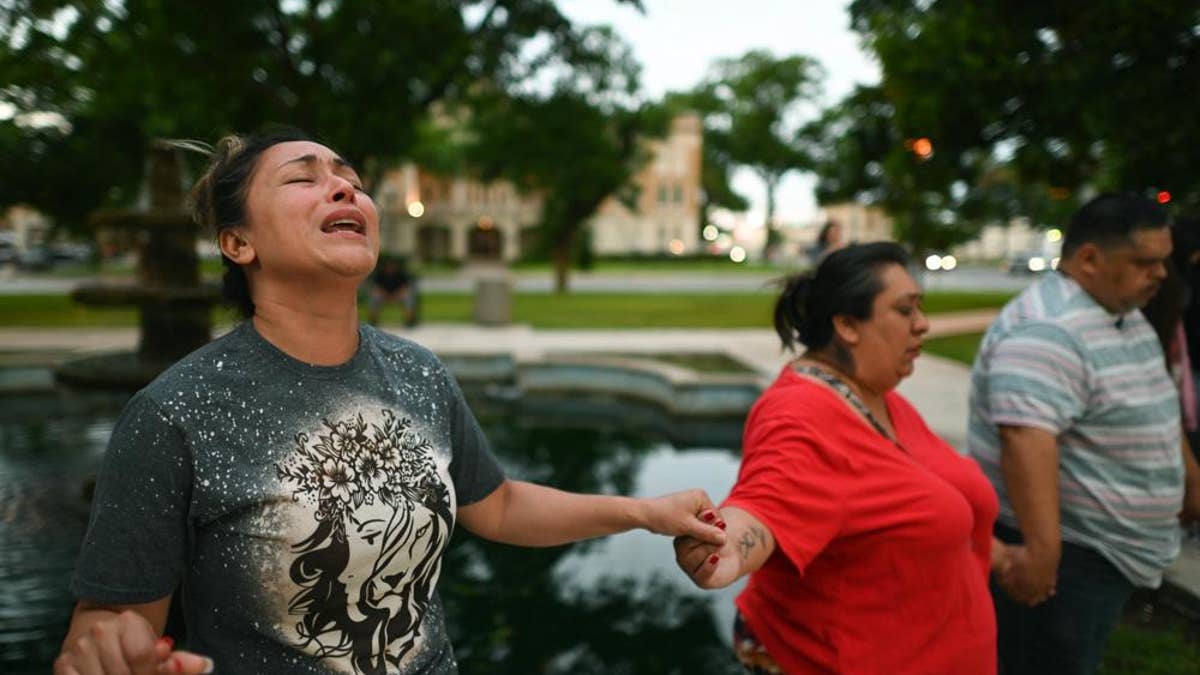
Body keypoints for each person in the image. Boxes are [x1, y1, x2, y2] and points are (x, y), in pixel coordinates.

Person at [55, 128, 727, 675]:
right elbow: (109, 626)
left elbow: (498, 504)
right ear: (238, 242)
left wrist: (643, 511)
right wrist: (105, 652)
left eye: (347, 175)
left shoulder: (419, 373)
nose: (343, 184)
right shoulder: (174, 412)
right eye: (303, 176)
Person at [674, 242, 1009, 674]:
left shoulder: (876, 398)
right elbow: (764, 503)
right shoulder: (799, 414)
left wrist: (1001, 554)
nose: (923, 325)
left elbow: (927, 506)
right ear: (848, 325)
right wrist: (727, 546)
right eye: (905, 310)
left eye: (920, 308)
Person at [967, 192, 1200, 675]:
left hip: (1100, 554)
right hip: (1072, 557)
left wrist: (1190, 479)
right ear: (1089, 259)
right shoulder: (1048, 330)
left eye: (1164, 261)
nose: (1161, 274)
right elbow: (1025, 439)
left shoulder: (1121, 312)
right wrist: (1040, 554)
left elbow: (1154, 399)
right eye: (1145, 262)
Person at [367, 256, 418, 328]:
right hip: (383, 296)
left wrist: (397, 295)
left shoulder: (401, 274)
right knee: (374, 297)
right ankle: (373, 320)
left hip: (398, 296)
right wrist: (384, 295)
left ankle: (409, 321)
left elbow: (405, 288)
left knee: (408, 297)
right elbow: (376, 288)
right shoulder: (380, 275)